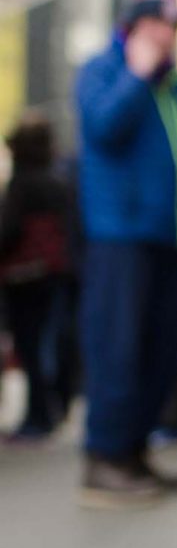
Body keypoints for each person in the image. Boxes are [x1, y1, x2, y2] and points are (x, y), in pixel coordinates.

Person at [75, 0, 177, 505]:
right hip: (121, 234)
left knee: (159, 349)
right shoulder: (104, 71)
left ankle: (132, 451)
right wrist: (135, 76)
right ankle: (104, 456)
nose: (166, 35)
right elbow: (103, 129)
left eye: (172, 27)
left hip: (168, 233)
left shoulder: (175, 87)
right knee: (118, 345)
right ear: (133, 28)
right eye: (156, 25)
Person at [0, 115, 78, 441]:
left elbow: (9, 230)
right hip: (60, 273)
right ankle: (54, 407)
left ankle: (38, 415)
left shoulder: (22, 184)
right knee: (55, 342)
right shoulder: (60, 181)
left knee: (31, 347)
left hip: (26, 278)